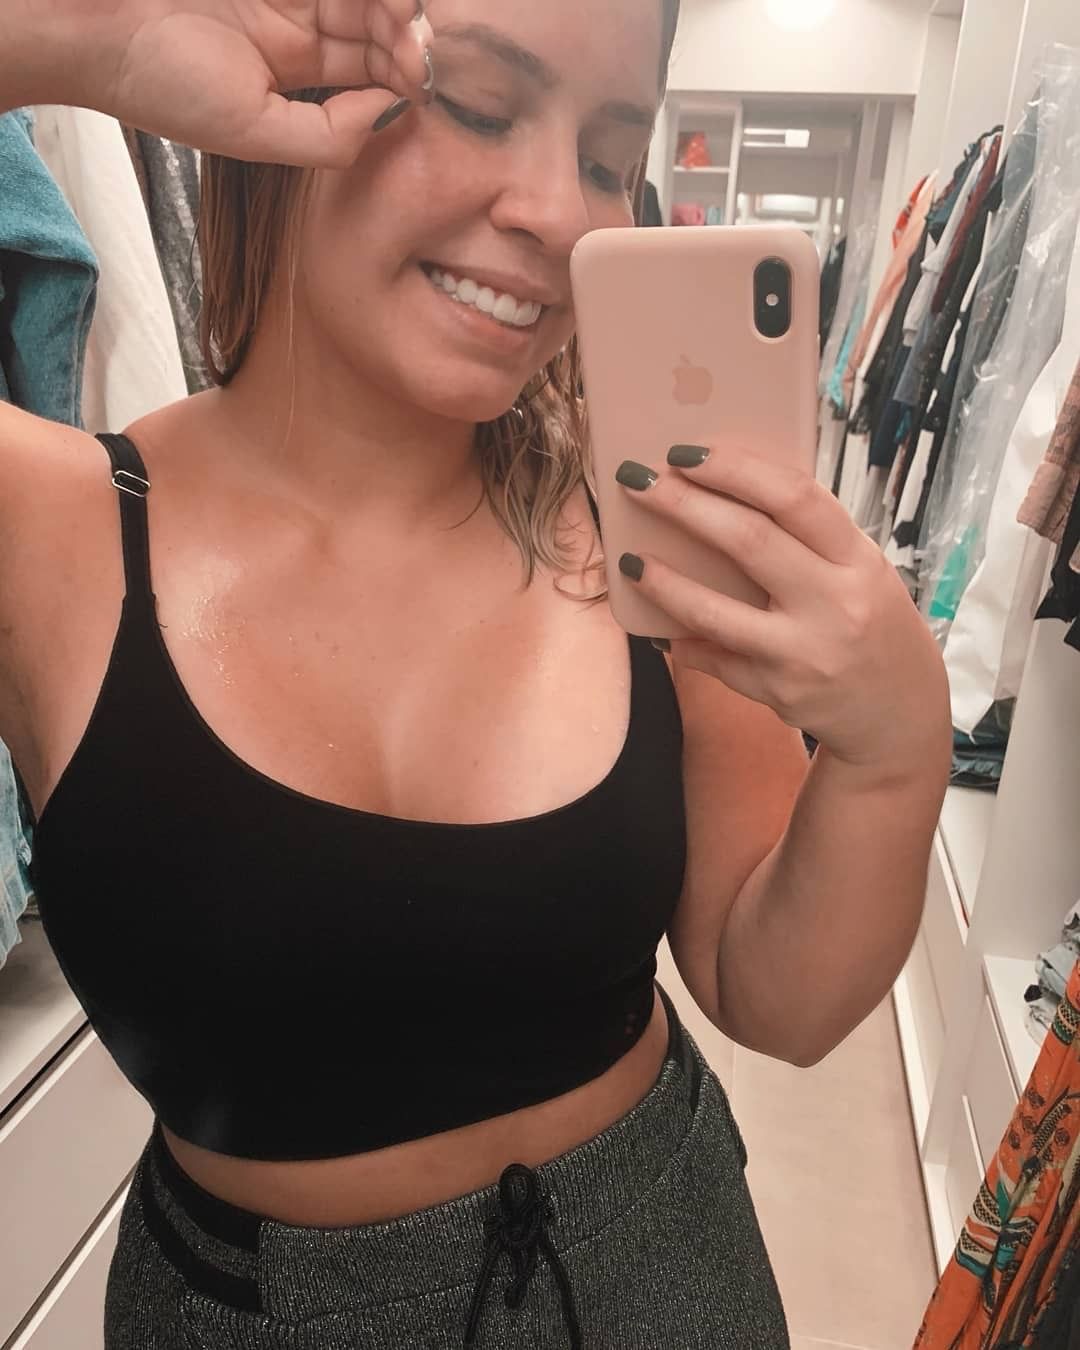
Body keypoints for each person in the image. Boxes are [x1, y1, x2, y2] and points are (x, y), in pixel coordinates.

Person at [0, 0, 952, 1345]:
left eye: (609, 159)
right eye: (480, 105)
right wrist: (97, 44)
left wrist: (896, 750)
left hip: (665, 1277)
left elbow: (774, 993)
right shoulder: (47, 530)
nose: (561, 214)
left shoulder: (648, 524)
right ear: (286, 75)